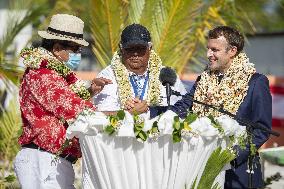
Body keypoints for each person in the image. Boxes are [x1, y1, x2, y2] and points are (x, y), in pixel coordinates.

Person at [166, 26, 272, 188]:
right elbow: (183, 106)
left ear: (232, 51)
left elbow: (261, 129)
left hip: (238, 173)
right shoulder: (203, 79)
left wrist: (230, 156)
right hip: (201, 166)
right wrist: (153, 114)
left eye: (215, 50)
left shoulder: (255, 82)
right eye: (208, 49)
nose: (209, 54)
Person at [14, 14, 111, 189]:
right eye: (75, 50)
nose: (78, 55)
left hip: (49, 161)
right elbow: (72, 108)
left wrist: (89, 91)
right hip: (43, 162)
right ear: (58, 48)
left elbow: (61, 101)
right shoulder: (43, 74)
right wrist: (119, 115)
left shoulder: (53, 74)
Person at [93, 23, 187, 115]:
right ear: (121, 48)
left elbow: (184, 108)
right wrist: (127, 113)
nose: (135, 53)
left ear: (150, 48)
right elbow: (100, 117)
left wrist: (151, 111)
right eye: (130, 48)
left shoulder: (167, 75)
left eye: (140, 48)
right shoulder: (107, 76)